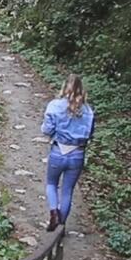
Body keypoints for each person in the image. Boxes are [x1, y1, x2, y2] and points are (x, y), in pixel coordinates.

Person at [42, 74, 95, 231]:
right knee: (67, 191)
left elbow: (47, 129)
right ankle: (61, 226)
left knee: (51, 184)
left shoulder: (54, 105)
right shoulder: (88, 111)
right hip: (77, 154)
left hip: (58, 151)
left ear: (65, 88)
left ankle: (54, 214)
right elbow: (90, 134)